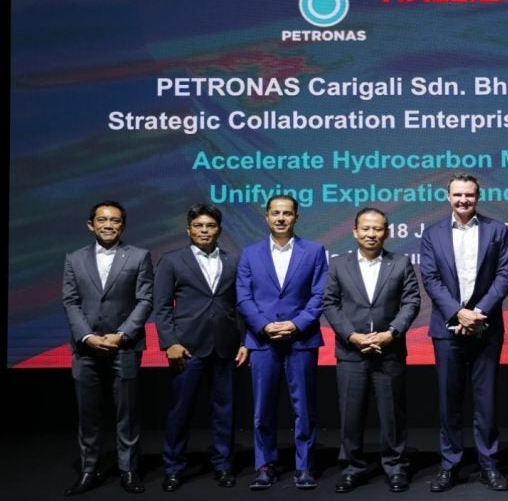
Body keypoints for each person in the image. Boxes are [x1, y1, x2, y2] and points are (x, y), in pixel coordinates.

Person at [419, 172, 508, 492]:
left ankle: (489, 464)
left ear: (478, 197)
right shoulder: (432, 233)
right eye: (458, 195)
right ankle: (450, 465)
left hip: (486, 327)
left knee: (486, 401)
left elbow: (504, 275)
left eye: (469, 195)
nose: (463, 200)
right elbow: (430, 278)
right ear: (448, 197)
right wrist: (457, 312)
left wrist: (477, 313)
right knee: (449, 402)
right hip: (446, 328)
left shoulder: (497, 230)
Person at [322, 207, 421, 494]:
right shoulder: (338, 264)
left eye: (377, 229)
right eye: (365, 228)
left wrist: (392, 333)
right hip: (351, 352)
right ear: (355, 232)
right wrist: (351, 336)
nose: (371, 234)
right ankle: (352, 468)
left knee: (392, 416)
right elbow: (330, 303)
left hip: (389, 351)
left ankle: (396, 467)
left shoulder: (400, 263)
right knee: (350, 415)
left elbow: (411, 302)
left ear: (386, 233)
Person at [152, 203, 248, 492]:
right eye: (198, 226)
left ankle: (223, 465)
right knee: (180, 411)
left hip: (225, 347)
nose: (204, 230)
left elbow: (240, 306)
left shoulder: (234, 261)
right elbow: (161, 306)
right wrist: (170, 342)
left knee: (225, 411)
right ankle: (173, 468)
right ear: (189, 230)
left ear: (219, 229)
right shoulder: (171, 261)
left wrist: (244, 342)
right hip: (187, 348)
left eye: (210, 226)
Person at [61, 200, 154, 495]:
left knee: (127, 412)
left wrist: (122, 334)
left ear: (122, 225)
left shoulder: (139, 256)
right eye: (102, 220)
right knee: (88, 413)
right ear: (91, 225)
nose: (108, 225)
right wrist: (87, 337)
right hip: (86, 348)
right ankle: (89, 469)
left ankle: (129, 469)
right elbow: (70, 301)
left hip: (124, 346)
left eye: (115, 220)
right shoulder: (74, 258)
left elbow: (145, 300)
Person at [236, 195, 327, 491]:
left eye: (287, 213)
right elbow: (243, 297)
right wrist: (264, 326)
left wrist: (295, 324)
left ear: (296, 217)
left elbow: (319, 295)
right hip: (262, 340)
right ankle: (265, 465)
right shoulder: (249, 253)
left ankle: (304, 466)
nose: (281, 218)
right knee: (262, 409)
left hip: (301, 339)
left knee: (305, 409)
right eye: (275, 213)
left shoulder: (314, 251)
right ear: (266, 217)